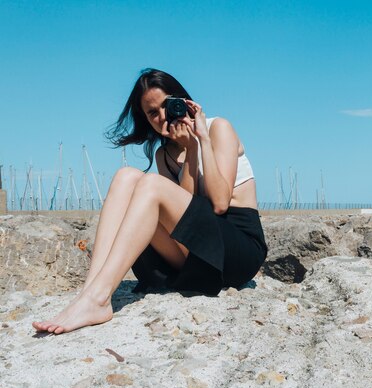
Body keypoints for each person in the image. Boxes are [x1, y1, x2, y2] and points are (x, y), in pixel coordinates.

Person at [32, 68, 267, 334]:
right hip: (197, 254)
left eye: (166, 106)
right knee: (126, 177)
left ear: (182, 101)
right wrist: (187, 152)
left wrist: (198, 143)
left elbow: (220, 203)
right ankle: (92, 292)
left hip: (238, 247)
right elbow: (187, 212)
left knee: (152, 185)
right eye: (152, 113)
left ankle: (96, 299)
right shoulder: (163, 155)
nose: (162, 116)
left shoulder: (217, 128)